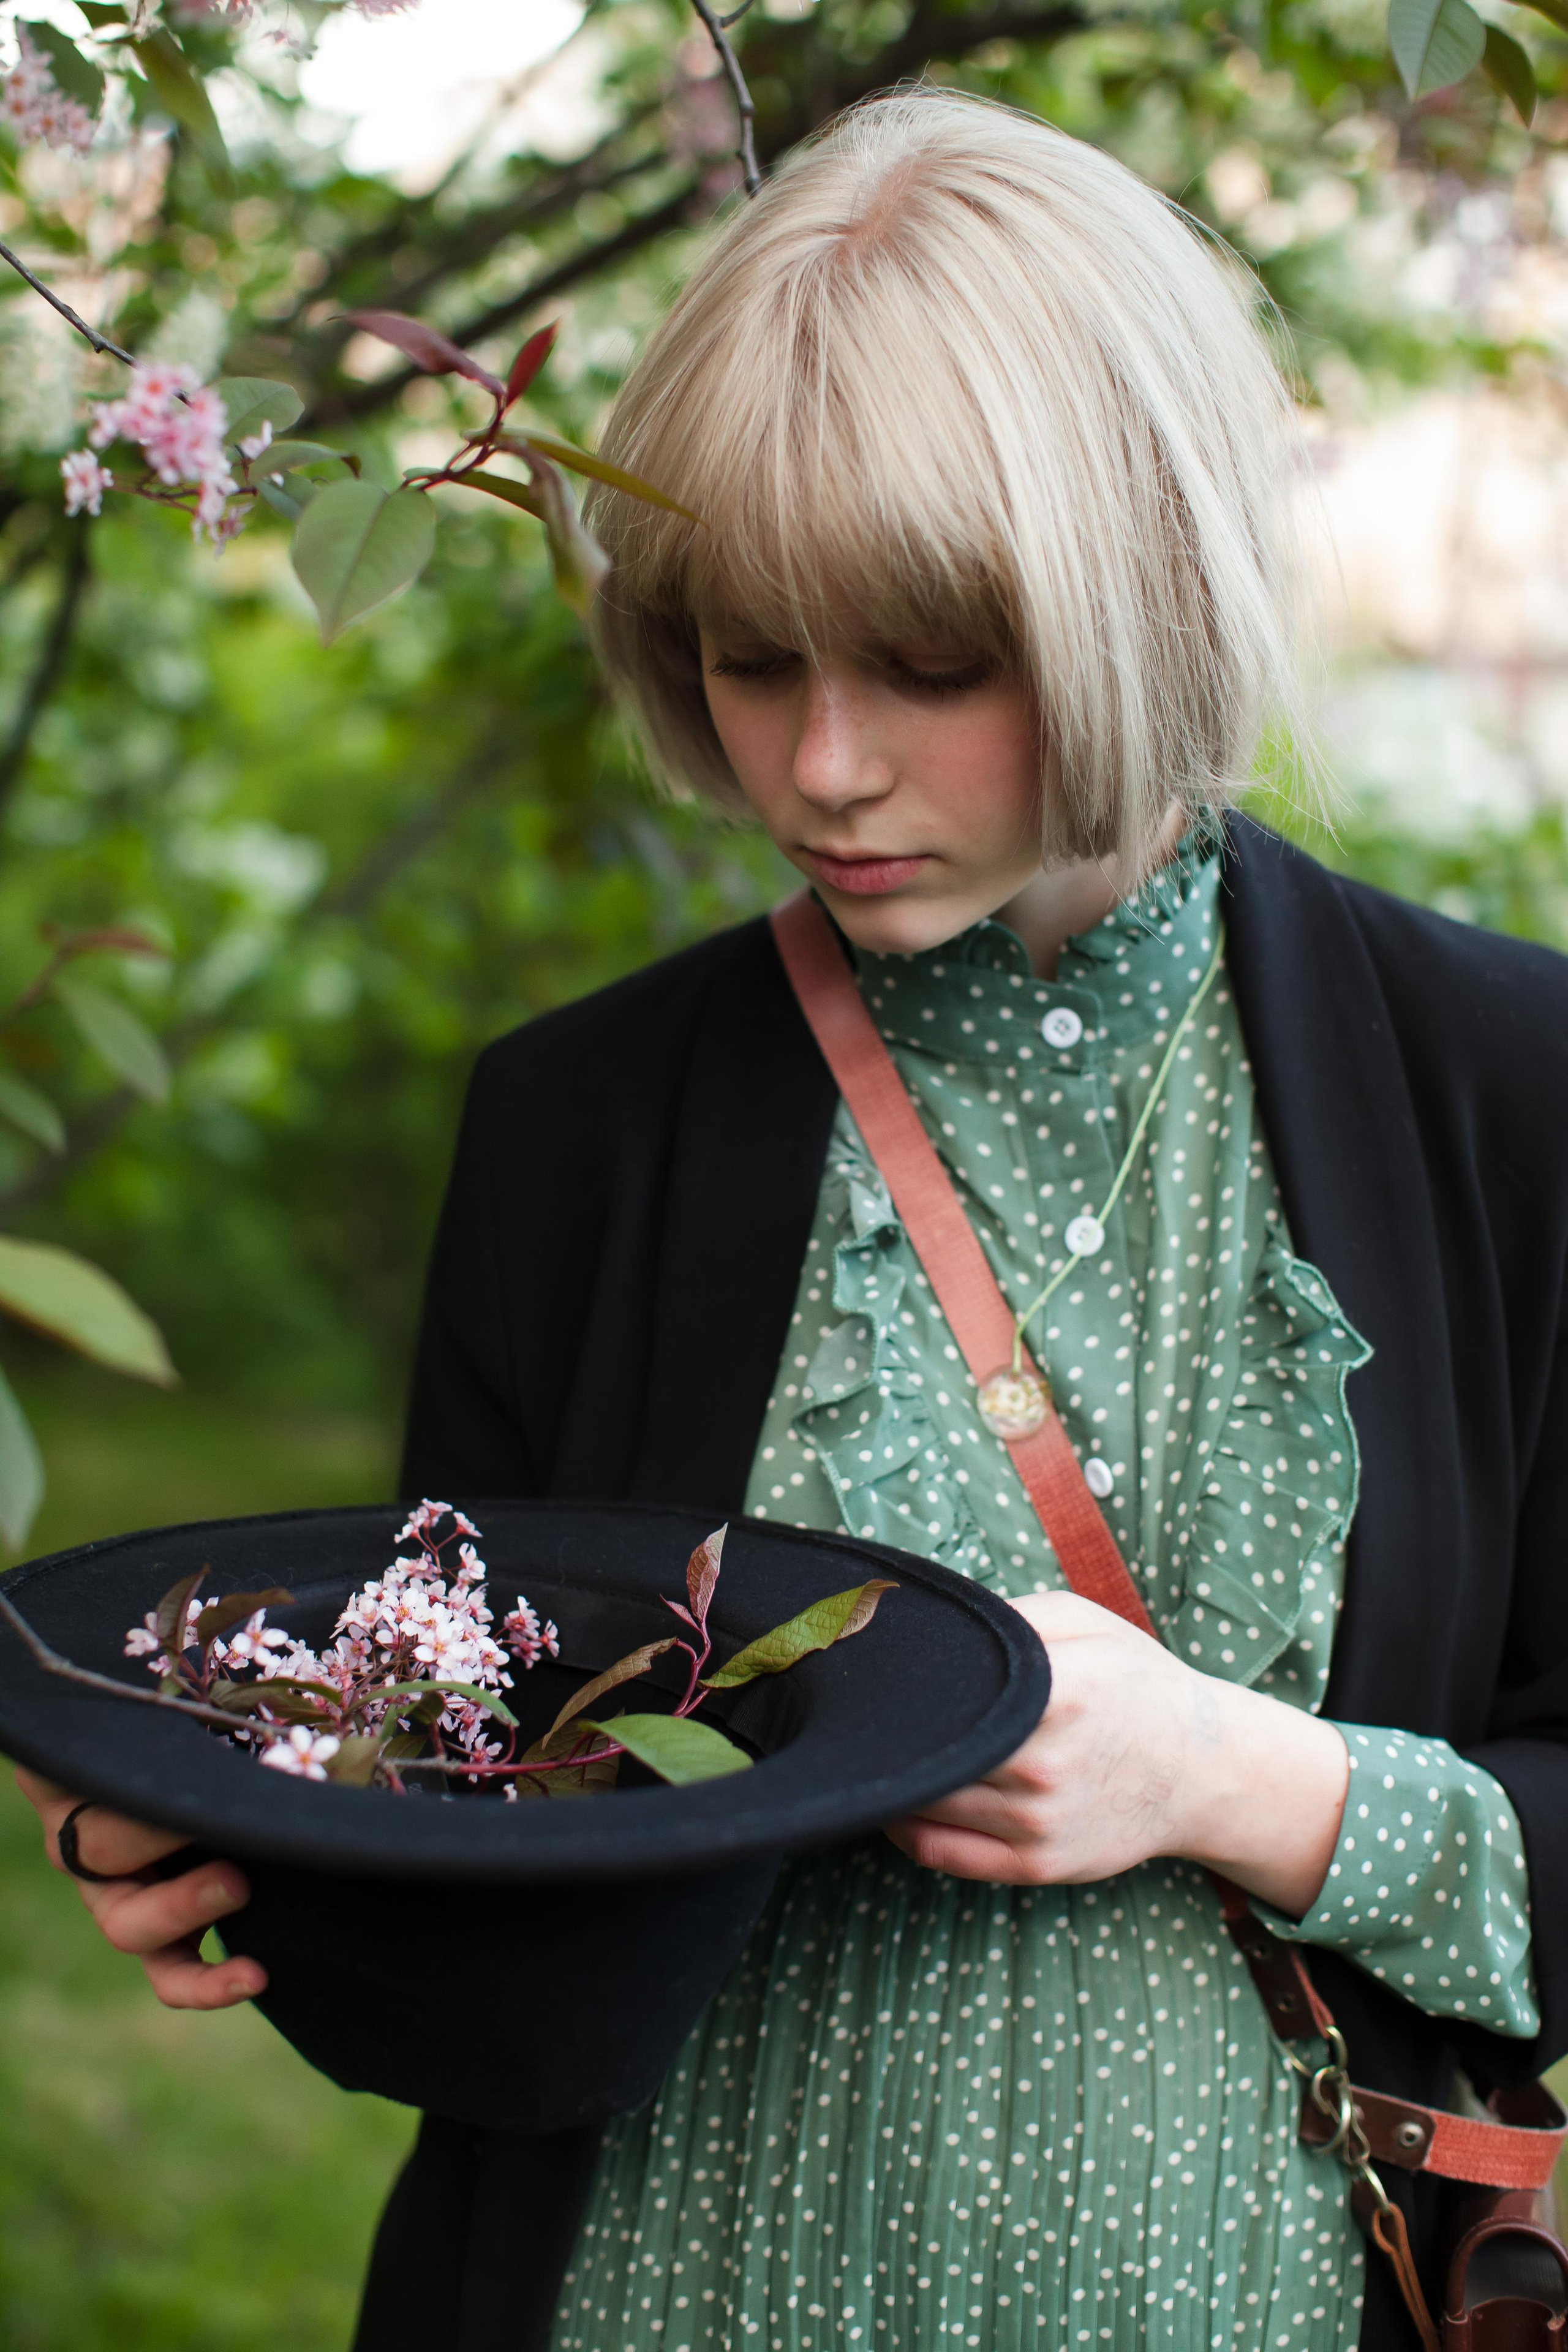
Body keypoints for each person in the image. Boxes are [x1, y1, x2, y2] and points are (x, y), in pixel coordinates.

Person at [19, 87, 1568, 2352]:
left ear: (1144, 592)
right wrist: (252, 1849)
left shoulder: (1504, 1093)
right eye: (752, 655)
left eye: (931, 663)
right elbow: (498, 1806)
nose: (821, 766)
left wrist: (1235, 1775)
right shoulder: (580, 1128)